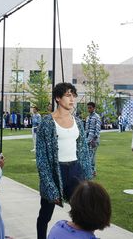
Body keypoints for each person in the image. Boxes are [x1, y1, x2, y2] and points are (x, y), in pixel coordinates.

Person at [36, 82, 93, 239]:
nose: (72, 99)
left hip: (75, 170)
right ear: (57, 98)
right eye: (68, 95)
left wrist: (88, 175)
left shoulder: (78, 122)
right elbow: (42, 159)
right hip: (56, 171)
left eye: (73, 96)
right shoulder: (47, 123)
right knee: (45, 215)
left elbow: (83, 152)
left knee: (83, 212)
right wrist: (50, 185)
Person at [85, 102, 101, 176]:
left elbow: (97, 130)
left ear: (94, 108)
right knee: (88, 155)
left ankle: (92, 171)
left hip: (93, 140)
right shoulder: (88, 117)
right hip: (87, 140)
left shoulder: (97, 117)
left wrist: (94, 140)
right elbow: (86, 129)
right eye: (88, 107)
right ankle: (92, 171)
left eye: (90, 107)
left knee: (91, 156)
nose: (89, 109)